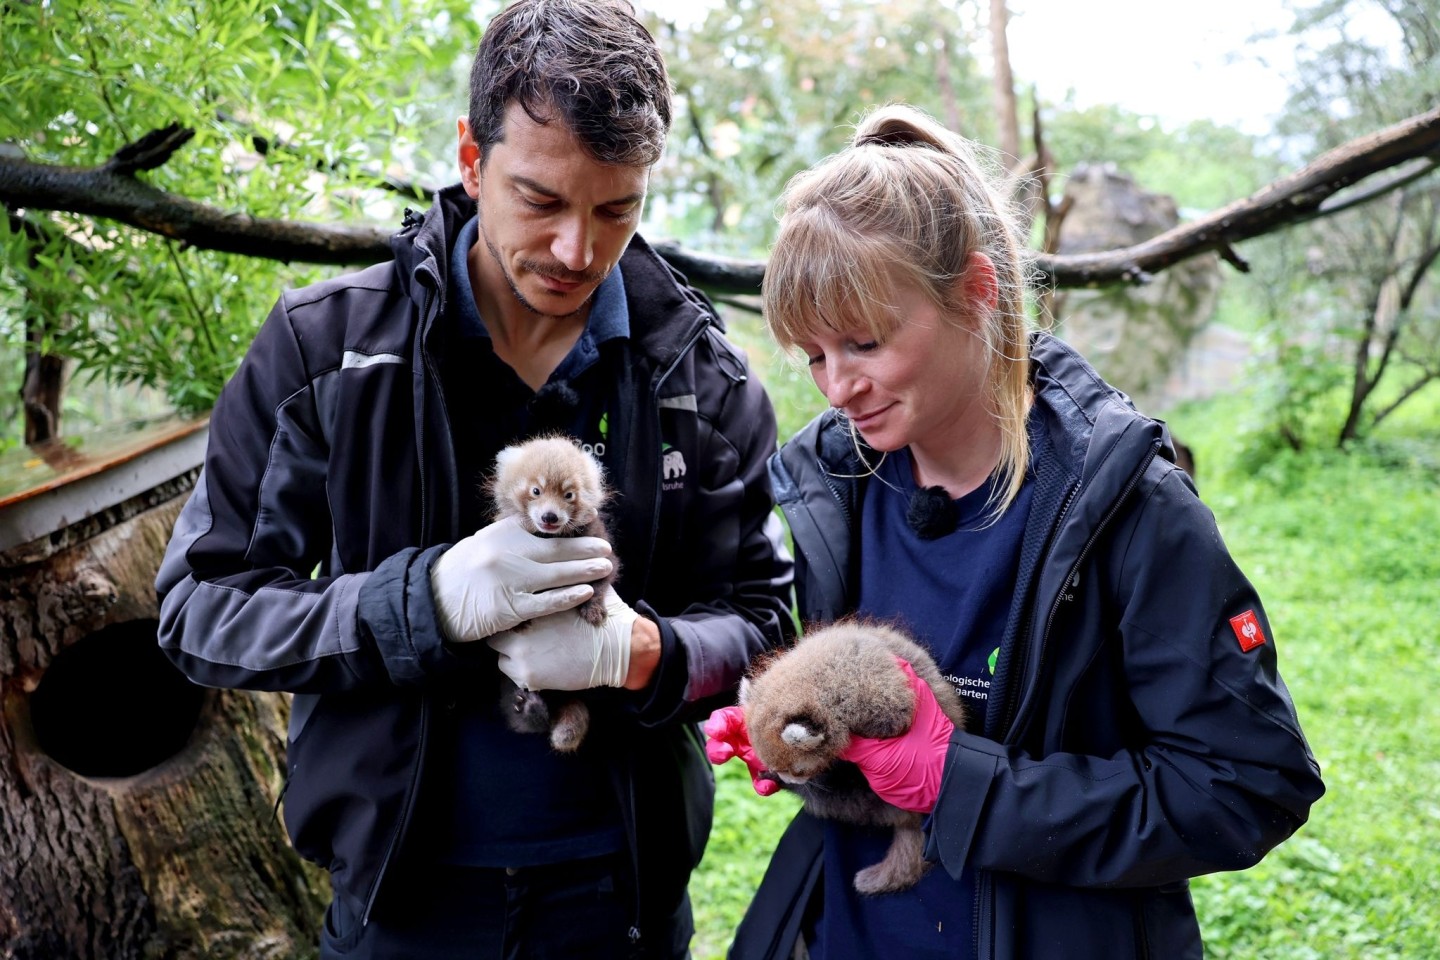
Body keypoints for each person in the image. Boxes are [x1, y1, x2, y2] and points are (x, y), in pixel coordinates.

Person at [155, 2, 794, 957]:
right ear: (470, 157)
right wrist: (423, 606)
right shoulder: (325, 349)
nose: (579, 250)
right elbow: (199, 611)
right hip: (400, 906)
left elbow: (768, 626)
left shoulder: (701, 380)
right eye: (541, 200)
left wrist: (647, 654)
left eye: (616, 209)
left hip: (622, 906)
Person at [705, 104, 1324, 960]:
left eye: (864, 343)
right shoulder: (834, 485)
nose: (837, 387)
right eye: (813, 355)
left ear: (976, 291)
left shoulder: (1131, 509)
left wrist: (961, 787)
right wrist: (805, 740)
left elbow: (1249, 782)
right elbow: (872, 734)